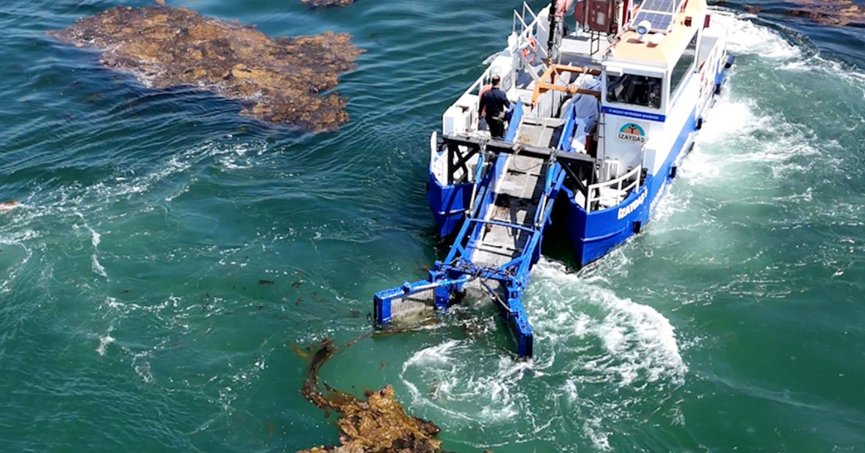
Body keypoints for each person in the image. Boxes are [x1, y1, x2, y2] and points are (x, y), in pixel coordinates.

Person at [478, 75, 511, 139]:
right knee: (500, 135)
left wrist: (480, 115)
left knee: (492, 132)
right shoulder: (502, 94)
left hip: (489, 118)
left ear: (492, 82)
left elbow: (481, 106)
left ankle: (493, 139)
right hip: (499, 118)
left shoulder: (486, 94)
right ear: (499, 83)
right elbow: (508, 105)